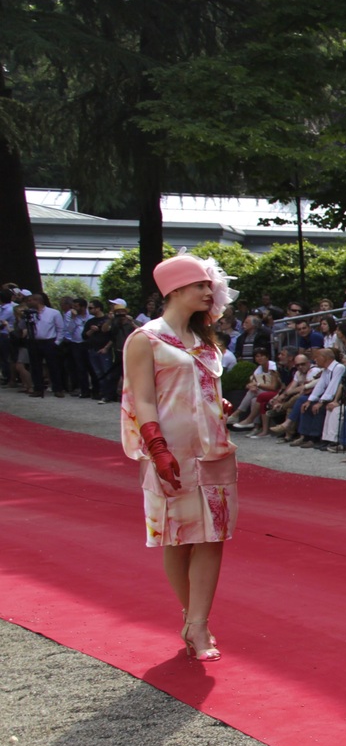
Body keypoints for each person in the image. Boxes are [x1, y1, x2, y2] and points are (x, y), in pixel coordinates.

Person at [120, 255, 238, 662]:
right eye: (201, 286)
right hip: (171, 451)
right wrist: (156, 446)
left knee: (213, 535)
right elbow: (143, 398)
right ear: (175, 290)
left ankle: (200, 623)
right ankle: (191, 616)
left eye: (209, 286)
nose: (210, 292)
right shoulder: (145, 339)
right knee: (180, 534)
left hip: (213, 448)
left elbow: (191, 386)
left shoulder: (204, 341)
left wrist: (215, 401)